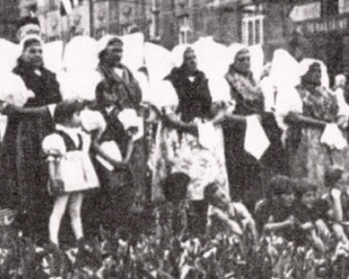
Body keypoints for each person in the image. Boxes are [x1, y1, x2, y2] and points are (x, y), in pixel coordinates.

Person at [152, 46, 231, 236]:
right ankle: (180, 226)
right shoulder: (169, 83)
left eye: (194, 58)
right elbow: (169, 115)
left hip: (205, 134)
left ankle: (208, 224)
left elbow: (219, 110)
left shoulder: (207, 80)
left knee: (208, 177)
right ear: (179, 61)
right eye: (187, 59)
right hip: (181, 134)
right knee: (182, 178)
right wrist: (189, 128)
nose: (192, 62)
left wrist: (210, 123)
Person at [0, 36, 62, 241]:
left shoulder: (50, 76)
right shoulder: (15, 77)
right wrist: (40, 109)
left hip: (47, 129)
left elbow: (56, 103)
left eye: (40, 51)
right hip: (24, 132)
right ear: (21, 54)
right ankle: (27, 227)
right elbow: (10, 108)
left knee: (48, 173)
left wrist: (43, 109)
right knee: (25, 175)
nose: (37, 55)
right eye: (32, 51)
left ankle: (47, 226)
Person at [279, 60, 349, 195]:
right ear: (303, 73)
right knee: (312, 170)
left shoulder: (329, 93)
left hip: (332, 136)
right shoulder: (294, 92)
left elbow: (342, 112)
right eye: (312, 71)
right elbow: (292, 116)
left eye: (319, 71)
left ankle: (341, 202)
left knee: (338, 170)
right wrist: (323, 125)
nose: (317, 74)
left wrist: (337, 124)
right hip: (308, 136)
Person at [92, 36, 148, 226]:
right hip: (111, 128)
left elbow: (137, 96)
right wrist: (119, 116)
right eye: (114, 50)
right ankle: (113, 220)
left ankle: (136, 215)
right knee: (114, 172)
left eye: (120, 51)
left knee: (137, 167)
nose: (118, 54)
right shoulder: (98, 73)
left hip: (132, 126)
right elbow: (103, 100)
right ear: (103, 52)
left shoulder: (127, 72)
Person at [223, 46, 285, 208]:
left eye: (248, 59)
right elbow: (227, 110)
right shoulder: (228, 80)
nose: (246, 63)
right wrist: (247, 118)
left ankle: (261, 204)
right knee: (243, 169)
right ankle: (245, 205)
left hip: (257, 125)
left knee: (260, 167)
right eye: (241, 59)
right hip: (239, 128)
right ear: (232, 61)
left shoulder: (252, 78)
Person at [42, 101, 101, 246]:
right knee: (59, 209)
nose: (81, 118)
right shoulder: (57, 138)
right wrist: (54, 178)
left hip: (79, 177)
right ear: (66, 118)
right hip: (65, 177)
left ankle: (80, 239)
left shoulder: (82, 137)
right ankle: (53, 242)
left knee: (75, 209)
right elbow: (52, 160)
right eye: (77, 115)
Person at [253, 175, 303, 244]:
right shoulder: (265, 206)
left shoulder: (291, 206)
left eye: (293, 194)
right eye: (287, 194)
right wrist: (285, 223)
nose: (292, 197)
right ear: (275, 195)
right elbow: (263, 227)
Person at [323, 166, 349, 245]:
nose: (344, 187)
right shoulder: (326, 198)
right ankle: (347, 248)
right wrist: (336, 199)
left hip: (347, 224)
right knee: (338, 229)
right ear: (332, 183)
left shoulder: (346, 197)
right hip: (333, 227)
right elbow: (338, 219)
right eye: (340, 183)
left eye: (346, 183)